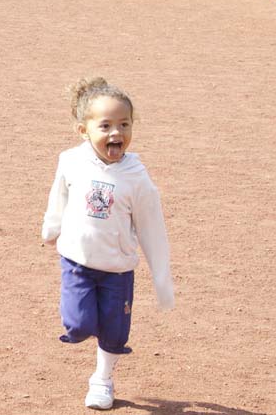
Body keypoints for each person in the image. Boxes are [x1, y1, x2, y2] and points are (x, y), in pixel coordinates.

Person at [42, 78, 174, 411]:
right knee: (78, 324)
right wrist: (52, 225)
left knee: (115, 333)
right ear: (83, 130)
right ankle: (89, 325)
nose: (116, 133)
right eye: (106, 125)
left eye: (124, 124)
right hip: (77, 261)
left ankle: (102, 378)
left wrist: (162, 277)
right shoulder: (71, 161)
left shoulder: (136, 177)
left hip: (117, 269)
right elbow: (59, 194)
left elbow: (151, 227)